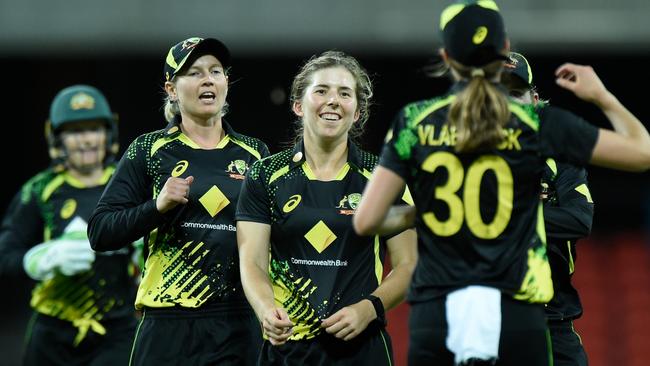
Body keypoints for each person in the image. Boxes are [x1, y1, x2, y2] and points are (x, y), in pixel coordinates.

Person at [352, 1, 650, 365]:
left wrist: (423, 212)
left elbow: (366, 221)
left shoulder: (414, 121)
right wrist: (601, 96)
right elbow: (642, 152)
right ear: (504, 47)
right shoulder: (535, 123)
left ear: (446, 56)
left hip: (439, 309)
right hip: (517, 310)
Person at [87, 37, 270, 365]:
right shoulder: (149, 149)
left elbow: (276, 238)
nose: (208, 79)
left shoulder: (256, 153)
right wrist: (156, 206)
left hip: (237, 320)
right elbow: (100, 232)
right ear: (172, 89)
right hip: (166, 321)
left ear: (226, 83)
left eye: (216, 71)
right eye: (194, 72)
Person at [236, 50, 417, 365]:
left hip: (362, 349)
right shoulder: (265, 175)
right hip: (287, 350)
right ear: (298, 105)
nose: (333, 100)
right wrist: (266, 310)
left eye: (345, 93)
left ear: (357, 111)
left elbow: (408, 265)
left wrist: (370, 308)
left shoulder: (384, 179)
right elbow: (252, 262)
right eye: (321, 91)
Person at [0, 84, 138, 365]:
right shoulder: (40, 189)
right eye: (75, 131)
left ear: (108, 133)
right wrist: (41, 259)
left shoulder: (131, 184)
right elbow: (6, 254)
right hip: (52, 332)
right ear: (57, 139)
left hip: (117, 330)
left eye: (94, 129)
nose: (86, 140)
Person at [503, 51, 592, 366]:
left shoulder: (562, 159)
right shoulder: (458, 162)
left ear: (534, 99)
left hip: (552, 321)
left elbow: (580, 219)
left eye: (515, 93)